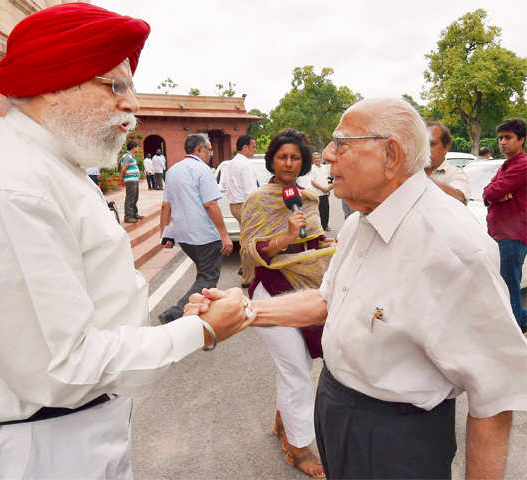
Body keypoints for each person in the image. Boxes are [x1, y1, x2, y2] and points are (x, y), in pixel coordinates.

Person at [0, 5, 253, 479]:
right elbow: (59, 368)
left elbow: (75, 310)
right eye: (115, 86)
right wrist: (196, 332)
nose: (132, 105)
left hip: (52, 440)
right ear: (56, 82)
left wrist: (170, 326)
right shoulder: (7, 185)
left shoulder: (44, 167)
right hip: (25, 452)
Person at [188, 98, 527, 480]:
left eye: (342, 143)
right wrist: (244, 312)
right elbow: (327, 300)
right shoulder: (360, 222)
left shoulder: (452, 245)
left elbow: (495, 396)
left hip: (396, 438)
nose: (328, 155)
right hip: (336, 405)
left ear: (390, 154)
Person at [240, 129, 334, 478]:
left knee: (297, 366)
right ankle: (297, 448)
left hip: (308, 287)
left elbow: (316, 236)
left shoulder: (307, 198)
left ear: (303, 162)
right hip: (273, 286)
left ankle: (284, 422)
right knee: (295, 369)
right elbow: (250, 250)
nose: (289, 163)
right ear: (272, 160)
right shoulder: (258, 200)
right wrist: (287, 237)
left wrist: (324, 241)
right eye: (283, 157)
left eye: (295, 157)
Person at [158, 133, 234, 324]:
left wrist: (164, 234)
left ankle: (199, 310)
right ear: (199, 149)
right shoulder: (203, 170)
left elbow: (165, 206)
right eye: (209, 149)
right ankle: (176, 313)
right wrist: (224, 235)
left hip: (184, 237)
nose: (211, 153)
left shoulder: (172, 170)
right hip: (204, 236)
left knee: (203, 275)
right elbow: (211, 205)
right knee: (208, 278)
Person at [483, 117, 527, 332]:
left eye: (508, 137)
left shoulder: (523, 165)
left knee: (508, 288)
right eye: (500, 138)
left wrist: (494, 195)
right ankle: (522, 321)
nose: (502, 142)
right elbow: (488, 192)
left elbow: (492, 191)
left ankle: (515, 334)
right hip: (499, 234)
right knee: (506, 286)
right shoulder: (506, 165)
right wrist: (494, 195)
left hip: (512, 236)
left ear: (522, 140)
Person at [222, 134, 257, 286]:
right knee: (250, 241)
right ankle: (248, 278)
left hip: (234, 205)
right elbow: (251, 191)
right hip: (246, 205)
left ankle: (244, 267)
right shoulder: (246, 164)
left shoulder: (229, 164)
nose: (254, 150)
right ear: (245, 147)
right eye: (253, 147)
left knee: (245, 238)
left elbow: (223, 184)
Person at [425, 121, 470, 204]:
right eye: (423, 144)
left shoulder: (455, 173)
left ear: (446, 148)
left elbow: (459, 198)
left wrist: (421, 179)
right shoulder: (410, 172)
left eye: (432, 144)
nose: (425, 148)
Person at [120, 139, 142, 223]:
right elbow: (124, 169)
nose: (138, 148)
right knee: (130, 198)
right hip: (130, 180)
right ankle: (128, 217)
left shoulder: (132, 156)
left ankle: (134, 214)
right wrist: (121, 179)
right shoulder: (127, 156)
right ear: (134, 147)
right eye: (137, 147)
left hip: (134, 180)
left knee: (135, 198)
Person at [310, 151, 333, 231]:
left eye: (318, 158)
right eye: (315, 158)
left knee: (326, 209)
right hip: (317, 193)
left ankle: (325, 225)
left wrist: (327, 189)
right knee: (318, 211)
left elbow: (326, 179)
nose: (317, 160)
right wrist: (323, 189)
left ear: (321, 158)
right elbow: (313, 182)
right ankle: (319, 227)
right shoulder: (312, 168)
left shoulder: (324, 167)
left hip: (325, 193)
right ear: (313, 160)